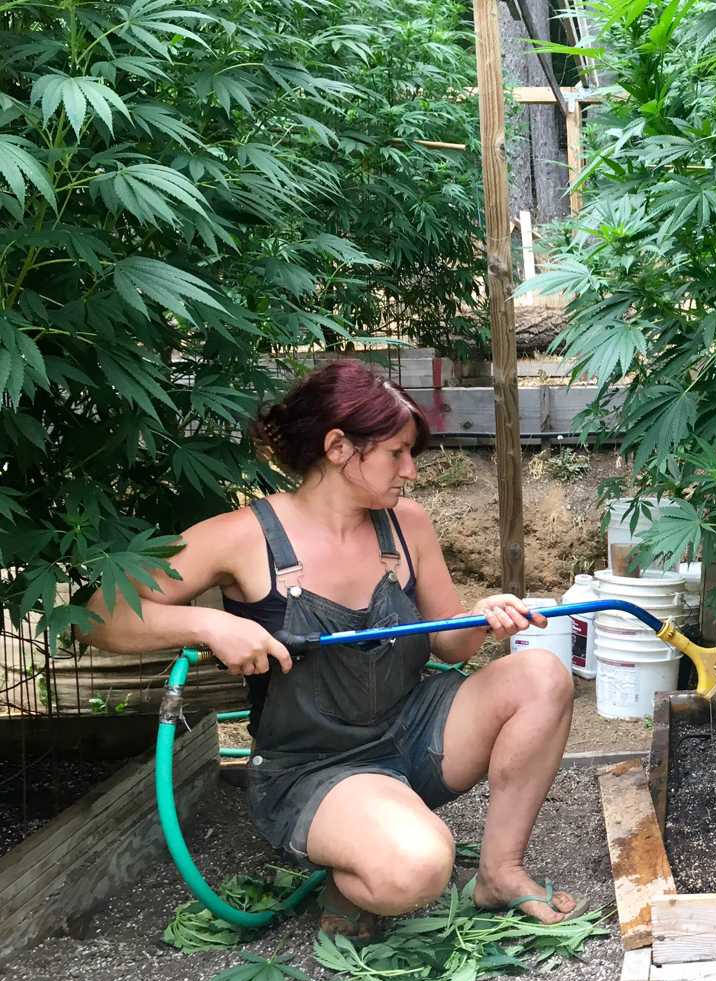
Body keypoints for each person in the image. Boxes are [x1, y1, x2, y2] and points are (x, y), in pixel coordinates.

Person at [81, 359, 582, 938]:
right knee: (418, 868)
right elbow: (99, 619)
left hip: (413, 732)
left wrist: (481, 616)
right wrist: (208, 625)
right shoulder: (242, 536)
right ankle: (357, 877)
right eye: (397, 453)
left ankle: (501, 872)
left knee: (542, 674)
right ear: (340, 447)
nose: (411, 471)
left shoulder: (406, 525)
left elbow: (448, 646)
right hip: (314, 768)